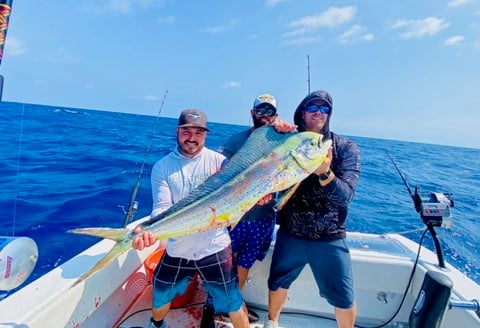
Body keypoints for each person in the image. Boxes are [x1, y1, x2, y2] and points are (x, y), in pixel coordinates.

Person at [132, 109, 249, 328]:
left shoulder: (221, 163)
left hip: (214, 246)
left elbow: (237, 198)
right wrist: (149, 230)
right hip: (178, 249)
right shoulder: (162, 167)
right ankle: (157, 325)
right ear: (177, 132)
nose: (192, 138)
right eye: (187, 131)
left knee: (233, 300)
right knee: (160, 294)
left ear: (206, 135)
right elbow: (162, 208)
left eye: (198, 132)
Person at [263, 90, 361, 328]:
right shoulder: (290, 140)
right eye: (313, 108)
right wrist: (274, 129)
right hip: (291, 232)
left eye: (324, 109)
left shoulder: (345, 148)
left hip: (329, 238)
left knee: (344, 296)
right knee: (277, 282)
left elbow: (346, 196)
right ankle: (272, 323)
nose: (319, 113)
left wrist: (325, 173)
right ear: (302, 113)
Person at [200, 93, 279, 327]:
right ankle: (214, 305)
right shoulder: (237, 140)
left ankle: (229, 307)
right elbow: (216, 171)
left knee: (245, 263)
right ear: (252, 113)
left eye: (270, 112)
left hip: (264, 218)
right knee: (224, 262)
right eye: (260, 110)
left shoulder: (282, 139)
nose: (265, 116)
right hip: (233, 215)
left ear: (276, 115)